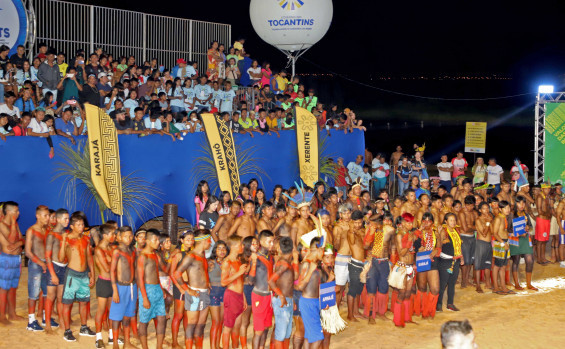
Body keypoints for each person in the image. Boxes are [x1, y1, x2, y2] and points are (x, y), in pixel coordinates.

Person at [173, 229, 213, 349]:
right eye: (209, 240)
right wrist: (187, 289)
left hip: (204, 293)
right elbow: (177, 273)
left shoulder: (202, 255)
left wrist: (208, 283)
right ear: (203, 241)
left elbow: (201, 271)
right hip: (194, 293)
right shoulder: (191, 256)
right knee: (191, 325)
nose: (210, 243)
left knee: (201, 326)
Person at [59, 214, 96, 342]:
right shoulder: (68, 238)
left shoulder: (86, 239)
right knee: (67, 303)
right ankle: (67, 330)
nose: (81, 227)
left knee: (84, 301)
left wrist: (92, 273)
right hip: (72, 275)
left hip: (84, 274)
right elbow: (60, 258)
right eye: (78, 225)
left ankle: (84, 327)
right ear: (72, 226)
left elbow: (89, 257)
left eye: (82, 225)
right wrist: (63, 241)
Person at [137, 229, 167, 349]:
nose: (157, 242)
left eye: (158, 240)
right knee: (144, 321)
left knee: (161, 318)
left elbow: (156, 273)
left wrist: (161, 288)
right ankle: (145, 347)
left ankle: (159, 346)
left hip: (157, 289)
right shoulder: (142, 257)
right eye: (155, 240)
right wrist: (144, 298)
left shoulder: (155, 254)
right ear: (148, 241)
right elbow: (140, 279)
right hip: (147, 290)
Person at [109, 226, 137, 349]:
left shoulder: (133, 251)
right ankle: (115, 342)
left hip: (132, 286)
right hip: (121, 287)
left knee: (128, 315)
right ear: (119, 237)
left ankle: (127, 342)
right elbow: (112, 271)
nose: (129, 238)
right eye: (126, 236)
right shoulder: (117, 251)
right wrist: (115, 290)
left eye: (131, 236)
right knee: (116, 316)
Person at [363, 213, 395, 323]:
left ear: (380, 222)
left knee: (383, 288)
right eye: (371, 223)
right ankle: (371, 315)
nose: (372, 225)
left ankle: (381, 313)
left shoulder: (389, 230)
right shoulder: (370, 230)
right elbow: (366, 246)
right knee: (371, 287)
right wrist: (371, 233)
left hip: (384, 261)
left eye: (373, 223)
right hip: (373, 262)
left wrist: (394, 261)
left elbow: (393, 245)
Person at [24, 205, 51, 332]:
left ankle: (46, 317)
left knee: (47, 292)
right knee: (33, 293)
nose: (48, 218)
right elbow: (28, 252)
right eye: (45, 216)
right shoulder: (31, 230)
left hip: (46, 263)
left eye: (48, 215)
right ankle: (31, 321)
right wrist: (41, 263)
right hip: (36, 264)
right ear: (38, 216)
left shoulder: (47, 229)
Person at [267, 236, 298, 349]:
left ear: (280, 248)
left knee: (287, 332)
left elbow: (292, 280)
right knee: (281, 333)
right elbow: (271, 281)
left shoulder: (286, 263)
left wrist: (291, 299)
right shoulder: (284, 264)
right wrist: (280, 295)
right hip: (282, 300)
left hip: (287, 299)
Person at [388, 213, 416, 327]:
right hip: (402, 267)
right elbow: (401, 253)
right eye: (408, 222)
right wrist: (409, 242)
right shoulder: (399, 235)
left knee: (408, 293)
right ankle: (398, 320)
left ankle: (407, 317)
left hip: (410, 266)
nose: (410, 224)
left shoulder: (409, 233)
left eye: (411, 222)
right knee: (402, 292)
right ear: (403, 223)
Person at [221, 235, 249, 349]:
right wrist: (239, 272)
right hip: (231, 296)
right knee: (228, 327)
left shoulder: (238, 260)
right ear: (233, 246)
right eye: (240, 244)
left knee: (237, 326)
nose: (242, 246)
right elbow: (223, 282)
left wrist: (244, 298)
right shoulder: (227, 262)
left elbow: (240, 281)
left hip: (239, 296)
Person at [248, 230, 275, 349]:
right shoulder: (256, 257)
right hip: (259, 295)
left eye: (273, 241)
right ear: (261, 242)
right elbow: (250, 280)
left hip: (269, 295)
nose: (272, 244)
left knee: (266, 328)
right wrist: (253, 262)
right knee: (258, 331)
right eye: (269, 242)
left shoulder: (270, 256)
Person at [296, 237, 325, 348]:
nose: (323, 253)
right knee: (318, 337)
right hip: (308, 303)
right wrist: (311, 271)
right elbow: (300, 286)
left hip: (313, 302)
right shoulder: (307, 264)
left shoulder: (313, 263)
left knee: (309, 335)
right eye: (322, 250)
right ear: (317, 249)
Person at [169, 231, 195, 349]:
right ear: (182, 240)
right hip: (180, 287)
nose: (190, 241)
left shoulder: (192, 253)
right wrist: (180, 288)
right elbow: (172, 273)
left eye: (192, 239)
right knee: (178, 315)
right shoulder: (178, 254)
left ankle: (187, 339)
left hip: (189, 286)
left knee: (186, 315)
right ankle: (174, 342)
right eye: (188, 239)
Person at [44, 208, 69, 332]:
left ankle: (62, 322)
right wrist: (52, 274)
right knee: (50, 297)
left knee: (60, 297)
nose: (67, 221)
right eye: (65, 218)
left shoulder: (66, 234)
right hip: (53, 266)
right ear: (58, 219)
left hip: (64, 267)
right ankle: (48, 324)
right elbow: (47, 256)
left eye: (68, 218)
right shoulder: (51, 235)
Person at [0, 202, 25, 324]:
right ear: (9, 212)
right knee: (4, 288)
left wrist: (17, 244)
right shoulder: (1, 225)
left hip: (16, 259)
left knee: (13, 288)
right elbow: (11, 239)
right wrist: (14, 225)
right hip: (6, 260)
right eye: (16, 211)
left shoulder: (15, 224)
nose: (18, 213)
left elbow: (21, 239)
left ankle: (12, 314)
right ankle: (2, 316)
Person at [94, 224, 117, 348]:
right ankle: (98, 338)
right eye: (112, 234)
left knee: (112, 311)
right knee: (101, 310)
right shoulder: (98, 250)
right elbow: (107, 268)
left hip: (112, 282)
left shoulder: (111, 248)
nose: (114, 236)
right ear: (105, 235)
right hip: (104, 282)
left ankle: (111, 335)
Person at [510, 196, 537, 291]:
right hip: (515, 239)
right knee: (515, 261)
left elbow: (530, 226)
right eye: (519, 203)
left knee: (530, 260)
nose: (522, 205)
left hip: (525, 239)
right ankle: (517, 283)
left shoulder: (525, 214)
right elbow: (508, 228)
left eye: (523, 203)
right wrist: (515, 232)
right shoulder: (512, 214)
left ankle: (529, 284)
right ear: (516, 203)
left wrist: (527, 228)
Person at [437, 213, 463, 312]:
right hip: (445, 261)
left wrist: (462, 257)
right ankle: (438, 304)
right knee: (443, 284)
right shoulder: (444, 231)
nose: (453, 222)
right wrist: (440, 236)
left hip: (455, 260)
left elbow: (459, 245)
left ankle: (450, 304)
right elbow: (441, 243)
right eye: (451, 220)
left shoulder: (456, 231)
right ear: (446, 221)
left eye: (454, 220)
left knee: (452, 283)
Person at [345, 210, 366, 322]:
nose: (358, 225)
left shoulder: (362, 231)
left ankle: (356, 312)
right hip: (354, 264)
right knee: (352, 290)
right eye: (356, 223)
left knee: (358, 290)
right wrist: (352, 229)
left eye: (360, 222)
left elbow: (366, 245)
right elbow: (352, 242)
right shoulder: (350, 232)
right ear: (352, 222)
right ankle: (350, 315)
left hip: (362, 264)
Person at [208, 241, 227, 349]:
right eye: (219, 248)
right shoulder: (211, 262)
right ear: (215, 250)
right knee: (215, 321)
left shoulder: (228, 262)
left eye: (224, 248)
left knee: (221, 321)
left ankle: (217, 345)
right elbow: (202, 273)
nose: (222, 251)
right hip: (213, 292)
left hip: (225, 292)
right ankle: (212, 347)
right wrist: (206, 282)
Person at [333, 203, 352, 309]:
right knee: (339, 287)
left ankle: (350, 312)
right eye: (345, 214)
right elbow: (336, 246)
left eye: (349, 213)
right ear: (340, 215)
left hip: (352, 258)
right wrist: (339, 236)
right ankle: (335, 310)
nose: (347, 216)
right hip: (341, 258)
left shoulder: (353, 224)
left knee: (350, 286)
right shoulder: (337, 227)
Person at [458, 195, 477, 288]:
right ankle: (463, 281)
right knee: (465, 260)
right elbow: (465, 229)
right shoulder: (462, 213)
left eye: (472, 205)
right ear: (465, 204)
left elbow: (478, 223)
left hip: (472, 237)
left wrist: (472, 228)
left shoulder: (474, 213)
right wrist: (475, 228)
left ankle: (467, 280)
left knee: (470, 260)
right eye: (468, 205)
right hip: (464, 237)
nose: (470, 207)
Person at [473, 202, 493, 293]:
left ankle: (488, 283)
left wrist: (489, 222)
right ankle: (477, 285)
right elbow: (484, 234)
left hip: (489, 244)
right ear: (480, 210)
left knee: (487, 264)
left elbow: (492, 231)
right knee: (478, 265)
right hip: (481, 243)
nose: (486, 210)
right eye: (484, 209)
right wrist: (488, 222)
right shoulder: (478, 220)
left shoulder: (489, 218)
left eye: (487, 208)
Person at [535, 182, 552, 264]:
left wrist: (549, 215)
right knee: (540, 241)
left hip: (546, 220)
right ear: (542, 188)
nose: (548, 190)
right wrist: (548, 214)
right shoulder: (539, 197)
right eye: (546, 188)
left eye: (549, 188)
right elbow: (539, 211)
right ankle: (539, 259)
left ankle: (543, 258)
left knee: (544, 240)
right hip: (541, 221)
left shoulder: (547, 197)